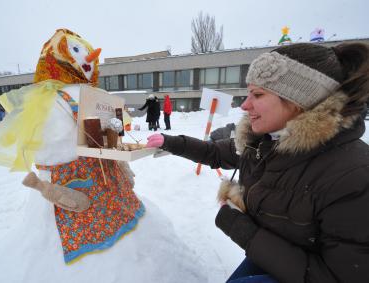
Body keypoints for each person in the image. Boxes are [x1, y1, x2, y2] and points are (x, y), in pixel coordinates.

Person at [146, 42, 369, 283]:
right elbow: (216, 153)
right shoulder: (264, 142)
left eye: (258, 94)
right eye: (248, 92)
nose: (244, 104)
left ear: (299, 100)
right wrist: (170, 142)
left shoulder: (353, 175)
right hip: (275, 255)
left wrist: (246, 233)